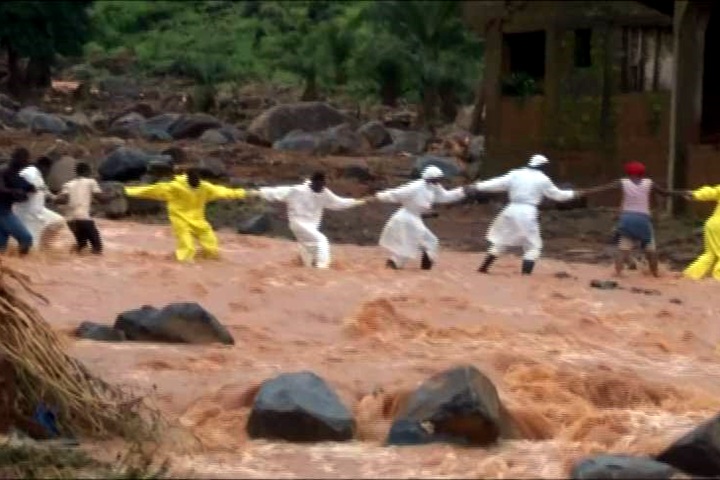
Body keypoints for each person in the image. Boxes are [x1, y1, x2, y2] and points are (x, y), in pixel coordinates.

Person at [469, 154, 579, 275]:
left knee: (501, 240)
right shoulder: (543, 179)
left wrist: (477, 186)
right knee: (533, 246)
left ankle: (483, 268)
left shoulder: (516, 174)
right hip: (527, 212)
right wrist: (573, 194)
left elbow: (496, 183)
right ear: (544, 167)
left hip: (510, 210)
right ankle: (525, 275)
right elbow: (557, 195)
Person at [124, 167, 254, 262]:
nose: (195, 184)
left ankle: (206, 263)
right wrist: (126, 191)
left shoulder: (204, 187)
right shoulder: (174, 187)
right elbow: (150, 190)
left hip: (198, 220)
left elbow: (224, 192)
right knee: (187, 247)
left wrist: (244, 193)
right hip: (180, 220)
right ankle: (183, 268)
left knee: (211, 246)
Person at [582, 161, 677, 277]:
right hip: (643, 219)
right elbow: (666, 193)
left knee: (623, 249)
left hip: (627, 218)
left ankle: (617, 273)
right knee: (650, 249)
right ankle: (655, 274)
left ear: (628, 172)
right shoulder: (649, 183)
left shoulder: (623, 182)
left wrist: (583, 192)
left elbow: (603, 189)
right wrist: (685, 193)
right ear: (643, 172)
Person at [258, 171, 365, 269]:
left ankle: (307, 269)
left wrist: (358, 202)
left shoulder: (324, 193)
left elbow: (338, 202)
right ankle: (322, 268)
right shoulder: (297, 190)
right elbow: (273, 192)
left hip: (312, 225)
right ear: (313, 182)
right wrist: (250, 193)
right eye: (319, 185)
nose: (321, 187)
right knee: (321, 240)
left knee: (309, 249)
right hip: (298, 222)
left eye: (323, 185)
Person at [370, 165, 467, 270]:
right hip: (406, 218)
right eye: (436, 179)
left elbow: (445, 196)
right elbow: (395, 194)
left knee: (428, 241)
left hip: (415, 218)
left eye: (439, 179)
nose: (438, 182)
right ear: (429, 178)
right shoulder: (415, 187)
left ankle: (410, 265)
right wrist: (378, 196)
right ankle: (395, 264)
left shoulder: (434, 187)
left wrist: (462, 191)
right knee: (415, 243)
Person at [13, 155, 65, 251]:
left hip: (39, 211)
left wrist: (56, 198)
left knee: (58, 221)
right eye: (48, 169)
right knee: (32, 249)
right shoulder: (29, 173)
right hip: (27, 214)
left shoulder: (39, 176)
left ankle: (45, 246)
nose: (49, 172)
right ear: (44, 167)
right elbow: (20, 186)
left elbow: (45, 191)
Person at [57, 162, 109, 255]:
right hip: (84, 219)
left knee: (82, 246)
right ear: (88, 172)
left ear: (76, 172)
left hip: (71, 221)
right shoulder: (91, 182)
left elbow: (62, 199)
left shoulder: (68, 184)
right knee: (97, 248)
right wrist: (113, 196)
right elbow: (101, 199)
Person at [0, 148, 36, 255]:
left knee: (1, 247)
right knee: (26, 238)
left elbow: (29, 187)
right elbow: (1, 189)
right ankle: (23, 265)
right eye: (24, 160)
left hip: (5, 210)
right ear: (17, 159)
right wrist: (15, 192)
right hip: (3, 212)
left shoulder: (14, 174)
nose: (25, 163)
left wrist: (28, 189)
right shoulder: (4, 171)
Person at [681, 184, 720, 281]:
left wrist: (695, 194)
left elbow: (712, 192)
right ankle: (718, 278)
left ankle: (690, 275)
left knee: (710, 254)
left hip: (713, 223)